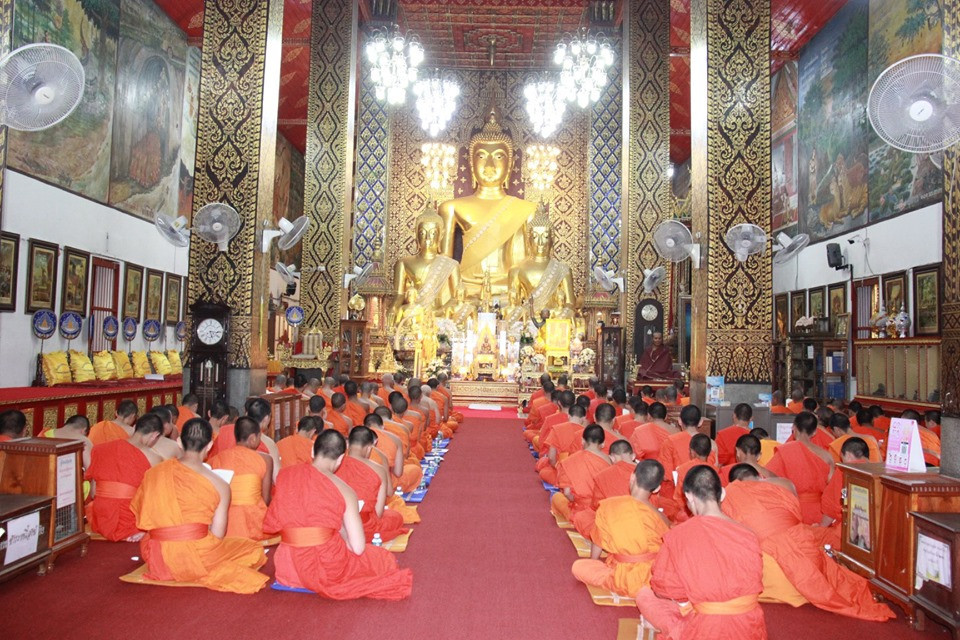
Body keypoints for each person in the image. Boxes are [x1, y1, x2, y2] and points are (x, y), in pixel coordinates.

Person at [724, 464, 894, 621]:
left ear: (735, 483)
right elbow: (796, 515)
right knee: (818, 536)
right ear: (760, 476)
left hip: (767, 571)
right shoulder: (783, 484)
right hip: (804, 554)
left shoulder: (731, 493)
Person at [263, 429, 413, 600]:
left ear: (312, 451)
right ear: (341, 458)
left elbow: (274, 520)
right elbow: (358, 548)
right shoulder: (344, 490)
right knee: (383, 559)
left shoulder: (286, 475)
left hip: (287, 566)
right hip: (327, 566)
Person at [130, 418, 269, 593]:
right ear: (210, 445)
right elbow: (218, 534)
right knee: (253, 549)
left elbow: (143, 514)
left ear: (179, 442)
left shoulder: (154, 473)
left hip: (158, 557)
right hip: (200, 556)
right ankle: (190, 565)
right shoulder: (220, 484)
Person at [636, 466, 765, 640]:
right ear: (722, 494)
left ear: (689, 496)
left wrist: (690, 598)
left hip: (705, 629)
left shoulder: (679, 535)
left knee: (645, 595)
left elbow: (664, 588)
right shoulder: (749, 534)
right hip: (750, 627)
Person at [571, 459, 671, 598]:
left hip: (622, 578)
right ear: (657, 488)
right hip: (652, 579)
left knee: (579, 567)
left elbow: (598, 541)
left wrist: (593, 562)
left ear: (632, 477)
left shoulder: (610, 506)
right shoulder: (662, 518)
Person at [86, 414, 164, 542]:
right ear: (155, 435)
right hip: (129, 519)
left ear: (135, 427)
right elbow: (155, 497)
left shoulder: (99, 449)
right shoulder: (153, 458)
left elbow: (94, 492)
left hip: (100, 518)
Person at [335, 426, 407, 543]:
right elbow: (378, 513)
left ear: (347, 444)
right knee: (396, 517)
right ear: (369, 448)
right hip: (366, 526)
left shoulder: (335, 465)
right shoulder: (378, 469)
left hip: (340, 526)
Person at [207, 417, 273, 541]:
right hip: (253, 523)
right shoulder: (265, 460)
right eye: (260, 437)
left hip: (223, 523)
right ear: (253, 438)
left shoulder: (215, 460)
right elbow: (266, 499)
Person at [765, 411, 834, 525]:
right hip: (819, 512)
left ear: (794, 428)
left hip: (793, 509)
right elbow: (831, 488)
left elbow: (770, 478)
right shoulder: (826, 455)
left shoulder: (786, 451)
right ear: (814, 432)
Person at [571, 439, 643, 540]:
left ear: (611, 458)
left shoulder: (602, 476)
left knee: (580, 517)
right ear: (633, 456)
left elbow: (596, 506)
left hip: (614, 527)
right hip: (642, 526)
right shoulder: (647, 474)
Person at [816, 437, 870, 549]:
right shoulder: (878, 471)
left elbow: (831, 507)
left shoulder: (843, 471)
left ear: (849, 455)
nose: (842, 461)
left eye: (842, 457)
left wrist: (820, 529)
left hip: (847, 532)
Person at [550, 425, 612, 521]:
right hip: (602, 509)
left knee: (556, 497)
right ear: (603, 444)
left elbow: (567, 493)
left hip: (580, 510)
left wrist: (577, 503)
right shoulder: (609, 461)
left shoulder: (570, 461)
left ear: (582, 441)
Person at [657, 405, 715, 502]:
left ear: (679, 421)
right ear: (700, 422)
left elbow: (666, 475)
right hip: (704, 497)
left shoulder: (669, 442)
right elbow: (714, 471)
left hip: (675, 497)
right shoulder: (712, 444)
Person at [537, 404, 587, 485]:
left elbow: (551, 458)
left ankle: (563, 482)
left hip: (560, 468)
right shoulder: (587, 433)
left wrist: (558, 468)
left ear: (568, 416)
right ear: (584, 418)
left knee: (543, 470)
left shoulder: (557, 428)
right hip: (578, 472)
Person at [672, 434, 716, 518]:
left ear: (692, 452)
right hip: (710, 513)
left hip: (686, 514)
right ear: (710, 451)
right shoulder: (715, 470)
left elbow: (678, 498)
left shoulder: (683, 469)